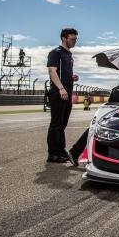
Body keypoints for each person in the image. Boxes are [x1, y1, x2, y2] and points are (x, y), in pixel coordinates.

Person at [46, 28, 79, 163]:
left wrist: (71, 77)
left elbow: (62, 73)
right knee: (56, 123)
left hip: (67, 93)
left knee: (62, 124)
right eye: (72, 39)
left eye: (76, 39)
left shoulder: (68, 55)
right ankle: (52, 154)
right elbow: (52, 71)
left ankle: (61, 151)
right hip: (59, 93)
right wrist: (61, 88)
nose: (74, 41)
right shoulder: (55, 53)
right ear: (64, 38)